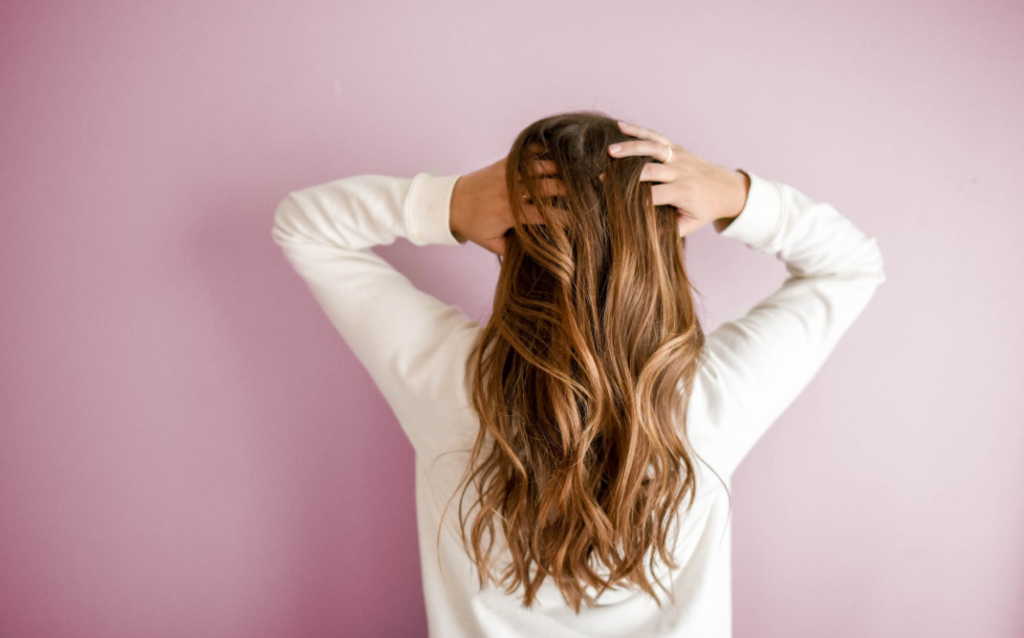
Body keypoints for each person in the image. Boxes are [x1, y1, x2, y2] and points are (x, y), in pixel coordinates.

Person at [270, 111, 886, 637]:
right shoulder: (706, 400)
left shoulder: (452, 383)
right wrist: (733, 195)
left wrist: (452, 203)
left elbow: (304, 225)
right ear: (662, 247)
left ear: (510, 239)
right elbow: (851, 266)